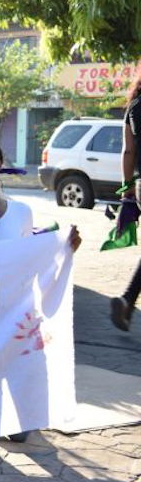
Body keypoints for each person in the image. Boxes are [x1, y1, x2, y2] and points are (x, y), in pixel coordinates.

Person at [111, 74, 141, 331]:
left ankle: (126, 300)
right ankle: (126, 300)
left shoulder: (134, 106)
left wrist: (127, 190)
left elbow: (128, 151)